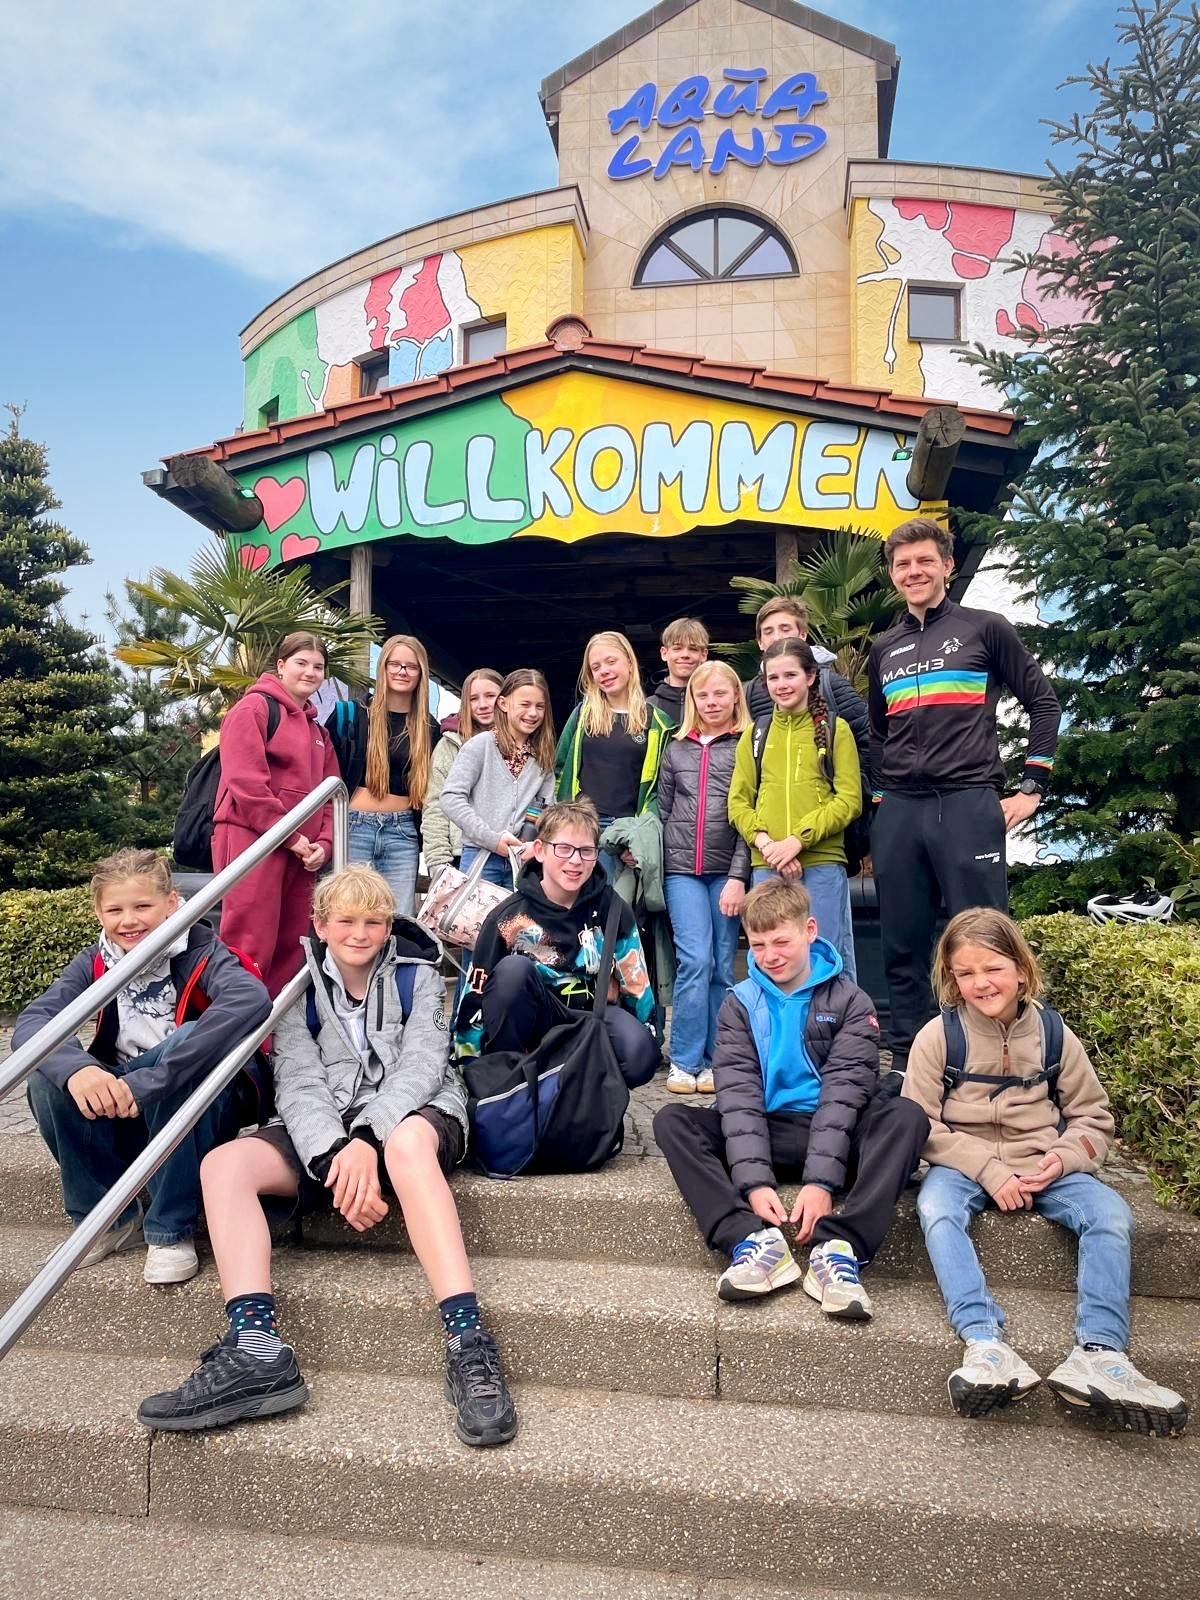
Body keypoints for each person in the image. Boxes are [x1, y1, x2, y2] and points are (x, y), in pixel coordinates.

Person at [136, 864, 517, 1447]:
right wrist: (335, 1153)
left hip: (416, 1117)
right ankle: (255, 1349)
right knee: (223, 1165)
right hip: (327, 1134)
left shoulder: (423, 981)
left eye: (373, 921)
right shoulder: (296, 993)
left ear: (389, 927)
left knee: (409, 1144)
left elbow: (421, 1070)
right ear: (320, 925)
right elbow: (297, 1084)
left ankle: (467, 1341)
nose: (359, 933)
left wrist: (367, 1140)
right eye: (345, 921)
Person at [902, 908, 1187, 1436]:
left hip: (1044, 1163)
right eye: (965, 974)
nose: (981, 983)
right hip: (964, 1163)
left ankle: (1100, 1352)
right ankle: (984, 1343)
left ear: (1021, 969)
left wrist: (1062, 1157)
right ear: (951, 979)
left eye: (993, 968)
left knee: (1109, 1213)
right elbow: (917, 1123)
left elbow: (1093, 1118)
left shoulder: (1055, 1034)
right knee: (935, 1206)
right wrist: (988, 1170)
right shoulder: (936, 1037)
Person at [653, 879, 928, 1314]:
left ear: (810, 930)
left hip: (840, 1133)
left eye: (781, 941)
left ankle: (839, 1249)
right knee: (672, 1120)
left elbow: (843, 1097)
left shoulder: (851, 1001)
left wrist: (820, 1183)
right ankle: (751, 1243)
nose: (770, 956)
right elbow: (738, 1097)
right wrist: (755, 1182)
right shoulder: (739, 1003)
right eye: (758, 945)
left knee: (906, 1117)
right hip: (766, 1130)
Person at [16, 848, 271, 1285]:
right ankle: (106, 1218)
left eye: (142, 906)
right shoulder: (94, 961)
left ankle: (171, 1228)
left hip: (190, 1104)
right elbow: (34, 1021)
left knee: (186, 1042)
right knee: (46, 1072)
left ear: (172, 903)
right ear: (98, 911)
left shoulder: (201, 948)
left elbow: (249, 999)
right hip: (123, 1102)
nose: (128, 920)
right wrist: (79, 1070)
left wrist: (149, 1081)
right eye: (114, 909)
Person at [868, 516, 1061, 1073]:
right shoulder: (886, 647)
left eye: (925, 561)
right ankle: (912, 1063)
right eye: (903, 564)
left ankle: (995, 1060)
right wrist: (883, 799)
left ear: (948, 566)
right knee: (902, 945)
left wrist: (1033, 785)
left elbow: (1043, 703)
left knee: (984, 944)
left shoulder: (985, 627)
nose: (914, 572)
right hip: (902, 809)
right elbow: (881, 734)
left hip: (968, 801)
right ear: (893, 575)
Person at [454, 799, 661, 1089]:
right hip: (530, 1021)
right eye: (563, 849)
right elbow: (475, 990)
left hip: (591, 1018)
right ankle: (509, 1082)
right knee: (513, 971)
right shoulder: (507, 917)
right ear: (539, 850)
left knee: (640, 1052)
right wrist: (470, 1065)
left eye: (586, 851)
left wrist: (648, 1036)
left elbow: (636, 983)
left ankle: (590, 1092)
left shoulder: (613, 910)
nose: (575, 861)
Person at [213, 631, 341, 996]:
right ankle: (235, 1037)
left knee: (292, 945)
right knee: (248, 941)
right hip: (251, 839)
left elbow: (332, 794)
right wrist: (292, 837)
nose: (310, 672)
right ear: (281, 665)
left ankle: (276, 1038)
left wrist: (325, 844)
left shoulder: (319, 730)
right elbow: (246, 783)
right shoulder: (252, 709)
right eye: (301, 663)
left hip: (303, 855)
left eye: (318, 667)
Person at [728, 638, 861, 979]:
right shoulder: (754, 734)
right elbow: (738, 802)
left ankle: (839, 1033)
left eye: (790, 675)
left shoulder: (836, 729)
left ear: (811, 676)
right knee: (772, 962)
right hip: (766, 864)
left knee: (827, 957)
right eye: (773, 678)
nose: (782, 685)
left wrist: (797, 841)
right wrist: (767, 844)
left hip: (821, 862)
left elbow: (849, 799)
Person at [657, 660, 751, 1095]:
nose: (711, 702)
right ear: (692, 700)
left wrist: (739, 876)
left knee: (721, 968)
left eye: (720, 693)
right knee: (694, 961)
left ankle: (719, 1059)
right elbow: (662, 808)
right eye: (703, 695)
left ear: (736, 696)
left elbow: (752, 816)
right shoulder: (675, 749)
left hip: (726, 874)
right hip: (682, 872)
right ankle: (684, 1059)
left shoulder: (748, 745)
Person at [328, 634, 441, 917]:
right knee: (349, 911)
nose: (402, 671)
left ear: (421, 673)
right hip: (353, 825)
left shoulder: (429, 728)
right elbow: (324, 775)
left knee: (398, 917)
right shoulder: (354, 714)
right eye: (395, 664)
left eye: (411, 666)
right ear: (383, 667)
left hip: (402, 832)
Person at [555, 631, 673, 882]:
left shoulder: (657, 722)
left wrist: (639, 838)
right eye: (595, 667)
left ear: (629, 663)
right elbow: (559, 768)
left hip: (625, 833)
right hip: (582, 827)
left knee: (615, 912)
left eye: (611, 662)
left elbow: (661, 789)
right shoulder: (583, 715)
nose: (604, 671)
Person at [439, 668, 557, 891]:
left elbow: (546, 808)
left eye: (539, 706)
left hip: (523, 861)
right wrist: (491, 839)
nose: (532, 713)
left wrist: (535, 843)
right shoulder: (480, 745)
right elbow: (450, 797)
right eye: (524, 704)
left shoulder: (543, 756)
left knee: (519, 925)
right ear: (503, 704)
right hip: (480, 857)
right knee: (474, 924)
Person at [743, 596, 869, 750]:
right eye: (768, 632)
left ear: (803, 634)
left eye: (785, 629)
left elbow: (866, 741)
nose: (776, 638)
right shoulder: (749, 693)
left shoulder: (832, 685)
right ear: (760, 642)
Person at [422, 668, 503, 878]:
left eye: (490, 696)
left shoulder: (521, 745)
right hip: (461, 855)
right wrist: (438, 862)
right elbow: (435, 806)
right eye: (473, 698)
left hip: (511, 854)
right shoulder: (450, 744)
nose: (483, 705)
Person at [648, 616, 709, 726]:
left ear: (704, 655)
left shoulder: (715, 705)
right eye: (677, 648)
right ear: (664, 653)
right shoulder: (648, 707)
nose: (685, 655)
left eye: (693, 649)